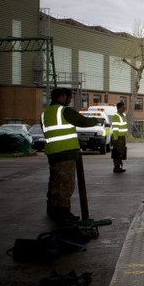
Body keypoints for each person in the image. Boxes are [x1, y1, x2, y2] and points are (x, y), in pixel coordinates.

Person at [41, 87, 100, 224]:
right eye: (69, 98)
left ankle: (52, 209)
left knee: (55, 183)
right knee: (65, 185)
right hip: (65, 154)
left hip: (52, 154)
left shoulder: (45, 114)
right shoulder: (64, 111)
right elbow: (83, 122)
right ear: (62, 97)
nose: (69, 101)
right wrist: (96, 121)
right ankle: (63, 213)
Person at [111, 101, 128, 173]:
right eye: (123, 107)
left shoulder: (123, 116)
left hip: (122, 137)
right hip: (118, 138)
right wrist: (115, 139)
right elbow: (115, 129)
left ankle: (119, 166)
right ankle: (116, 167)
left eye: (124, 107)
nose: (124, 108)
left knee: (121, 152)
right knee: (117, 152)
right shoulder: (116, 116)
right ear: (118, 108)